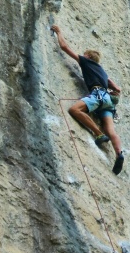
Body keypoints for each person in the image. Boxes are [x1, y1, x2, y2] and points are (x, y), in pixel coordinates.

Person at [51, 24, 125, 174]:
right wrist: (109, 89)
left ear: (89, 57)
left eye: (85, 54)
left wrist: (58, 32)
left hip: (96, 95)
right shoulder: (103, 72)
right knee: (111, 129)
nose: (83, 56)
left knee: (74, 110)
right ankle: (119, 154)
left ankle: (98, 134)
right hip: (107, 101)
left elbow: (65, 47)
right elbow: (117, 89)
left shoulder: (86, 62)